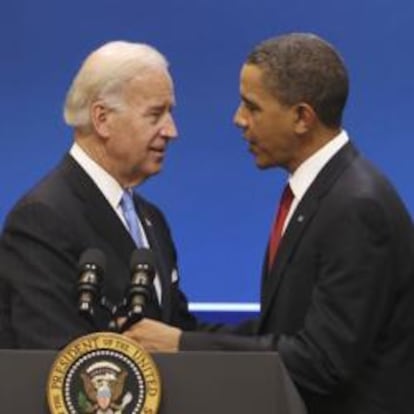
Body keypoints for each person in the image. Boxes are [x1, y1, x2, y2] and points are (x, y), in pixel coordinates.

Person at [123, 33, 414, 414]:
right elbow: (286, 331)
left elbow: (321, 362)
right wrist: (184, 336)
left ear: (301, 117)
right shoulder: (323, 194)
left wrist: (182, 345)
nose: (238, 120)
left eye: (252, 107)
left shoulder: (357, 207)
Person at [0, 41, 196, 349]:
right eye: (156, 114)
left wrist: (269, 343)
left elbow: (176, 331)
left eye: (169, 113)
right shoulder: (42, 219)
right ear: (102, 119)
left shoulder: (151, 219)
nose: (172, 130)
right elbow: (52, 353)